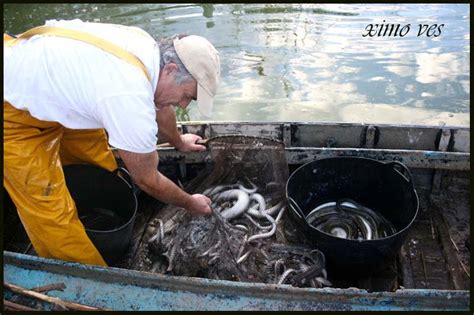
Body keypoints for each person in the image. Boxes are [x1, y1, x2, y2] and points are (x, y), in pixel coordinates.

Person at [3, 19, 220, 266]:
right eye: (186, 96)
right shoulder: (128, 97)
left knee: (99, 164)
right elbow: (147, 179)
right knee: (50, 213)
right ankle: (89, 282)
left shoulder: (147, 51)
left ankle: (90, 207)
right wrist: (190, 202)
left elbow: (160, 105)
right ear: (170, 69)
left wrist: (178, 141)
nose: (183, 105)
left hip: (52, 87)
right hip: (11, 106)